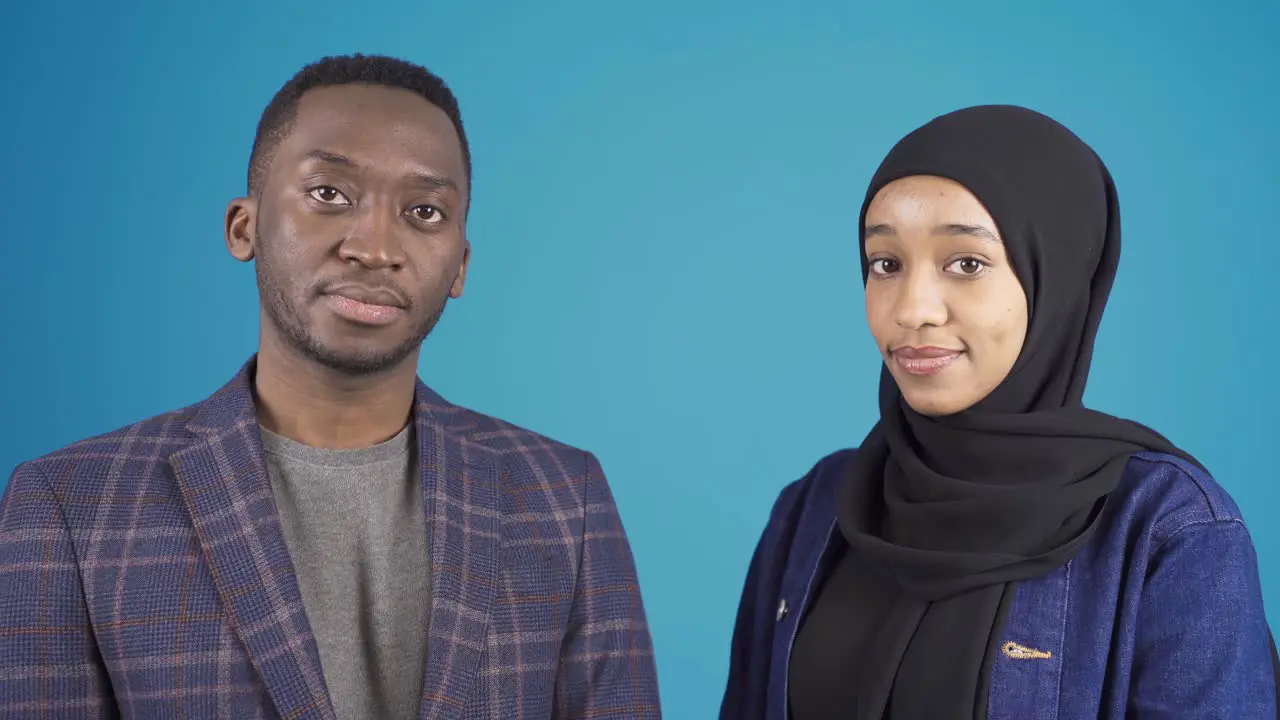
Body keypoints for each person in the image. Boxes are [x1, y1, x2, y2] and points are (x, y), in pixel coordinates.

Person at [0, 54, 661, 719]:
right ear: (244, 226)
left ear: (460, 265)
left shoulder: (562, 498)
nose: (375, 246)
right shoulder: (71, 507)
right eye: (329, 195)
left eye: (425, 211)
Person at [720, 105, 1276, 718]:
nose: (912, 310)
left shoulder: (1167, 530)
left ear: (1055, 279)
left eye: (967, 264)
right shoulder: (816, 506)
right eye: (887, 264)